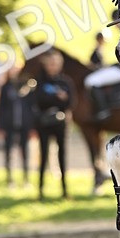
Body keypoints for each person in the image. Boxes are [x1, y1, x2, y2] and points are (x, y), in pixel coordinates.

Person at [32, 50, 75, 199]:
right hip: (43, 124)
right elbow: (38, 101)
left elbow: (70, 102)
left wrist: (59, 99)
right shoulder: (39, 81)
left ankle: (64, 190)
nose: (53, 67)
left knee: (62, 156)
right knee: (43, 156)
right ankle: (40, 190)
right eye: (50, 63)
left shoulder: (65, 82)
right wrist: (57, 98)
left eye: (55, 64)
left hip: (60, 124)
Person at [0, 63, 33, 186]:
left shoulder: (27, 86)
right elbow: (1, 108)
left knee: (25, 151)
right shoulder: (5, 87)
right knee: (9, 152)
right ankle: (9, 179)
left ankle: (26, 178)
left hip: (24, 124)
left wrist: (32, 126)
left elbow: (32, 108)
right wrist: (0, 126)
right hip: (9, 124)